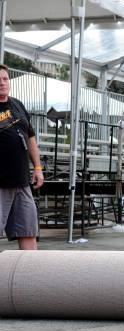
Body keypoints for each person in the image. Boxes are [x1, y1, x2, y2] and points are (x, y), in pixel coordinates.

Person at [0, 64, 43, 250]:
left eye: (5, 79)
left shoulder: (18, 104)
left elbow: (30, 136)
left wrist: (38, 168)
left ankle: (30, 276)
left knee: (28, 230)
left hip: (22, 182)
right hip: (0, 183)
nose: (2, 83)